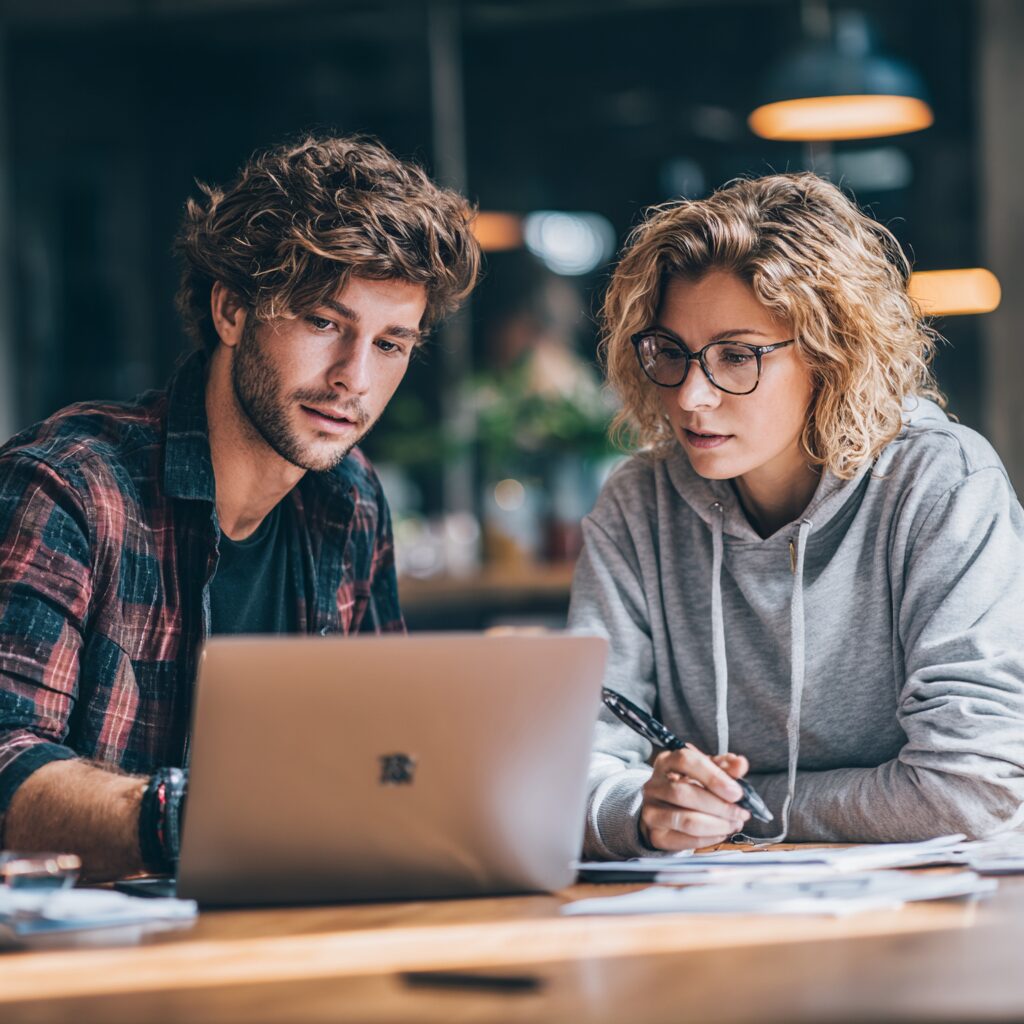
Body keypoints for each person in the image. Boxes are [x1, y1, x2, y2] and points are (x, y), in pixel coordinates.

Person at [0, 135, 479, 879]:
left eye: (390, 344)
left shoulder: (350, 502)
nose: (355, 377)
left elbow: (381, 755)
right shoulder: (70, 488)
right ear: (231, 310)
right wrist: (215, 816)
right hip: (88, 960)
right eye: (324, 322)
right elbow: (6, 765)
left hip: (279, 926)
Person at [569, 172, 1024, 858]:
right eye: (671, 352)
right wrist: (642, 810)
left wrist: (745, 814)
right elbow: (571, 769)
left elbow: (977, 781)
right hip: (709, 919)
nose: (692, 395)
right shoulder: (640, 504)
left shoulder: (940, 483)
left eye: (737, 356)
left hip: (929, 914)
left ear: (830, 353)